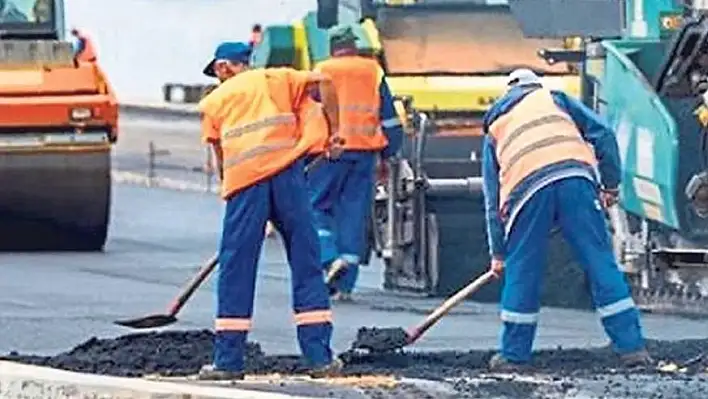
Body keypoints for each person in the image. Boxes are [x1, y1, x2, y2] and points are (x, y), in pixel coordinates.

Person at [481, 68, 652, 371]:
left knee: (523, 269)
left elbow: (493, 199)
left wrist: (498, 252)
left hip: (525, 192)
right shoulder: (556, 99)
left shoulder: (496, 125)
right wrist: (610, 184)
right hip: (576, 180)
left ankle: (514, 355)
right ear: (536, 86)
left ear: (507, 93)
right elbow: (605, 135)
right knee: (601, 262)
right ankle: (632, 348)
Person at [196, 41, 343, 380]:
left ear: (222, 68)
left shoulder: (215, 102)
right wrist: (334, 133)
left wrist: (235, 197)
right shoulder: (278, 78)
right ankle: (320, 358)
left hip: (247, 184)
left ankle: (228, 362)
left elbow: (221, 162)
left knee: (236, 267)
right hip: (289, 176)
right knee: (306, 261)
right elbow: (325, 82)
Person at [306, 25, 404, 302]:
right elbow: (389, 118)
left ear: (333, 47)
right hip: (365, 153)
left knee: (315, 206)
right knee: (353, 213)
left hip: (329, 152)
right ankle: (345, 284)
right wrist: (390, 154)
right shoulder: (373, 70)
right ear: (354, 45)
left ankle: (329, 258)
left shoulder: (321, 70)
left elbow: (309, 112)